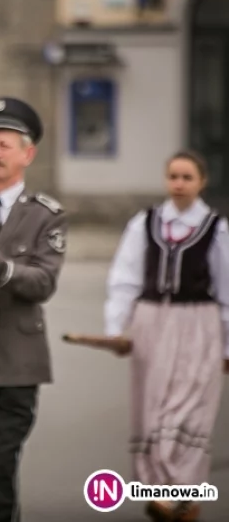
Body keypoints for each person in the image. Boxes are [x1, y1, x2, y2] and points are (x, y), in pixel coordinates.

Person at [103, 150, 228, 522]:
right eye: (173, 176)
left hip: (198, 325)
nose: (179, 184)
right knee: (153, 409)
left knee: (188, 410)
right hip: (152, 322)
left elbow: (227, 291)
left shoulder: (216, 229)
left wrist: (227, 344)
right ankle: (166, 493)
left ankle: (180, 492)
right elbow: (124, 279)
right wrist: (115, 328)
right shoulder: (145, 223)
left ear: (201, 182)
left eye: (187, 177)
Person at [0, 97, 68, 522]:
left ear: (28, 154)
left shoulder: (47, 215)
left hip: (17, 365)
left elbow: (43, 282)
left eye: (5, 144)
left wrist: (0, 267)